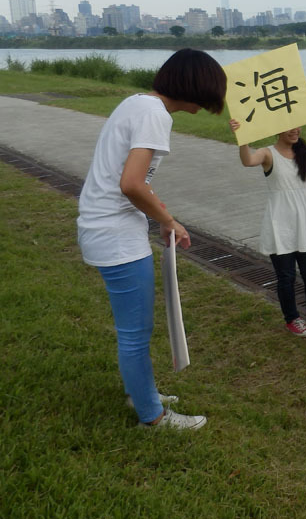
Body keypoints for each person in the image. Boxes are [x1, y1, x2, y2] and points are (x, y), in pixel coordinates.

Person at [77, 48, 226, 430]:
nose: (208, 104)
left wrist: (159, 216)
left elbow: (133, 180)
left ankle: (142, 393)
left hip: (105, 227)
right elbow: (130, 184)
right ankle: (153, 417)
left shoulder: (137, 103)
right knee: (135, 333)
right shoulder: (154, 114)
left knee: (134, 330)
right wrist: (168, 219)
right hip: (115, 234)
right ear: (193, 86)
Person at [229, 121, 306, 337]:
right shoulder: (268, 153)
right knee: (286, 277)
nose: (294, 130)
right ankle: (292, 318)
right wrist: (242, 137)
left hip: (305, 222)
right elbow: (247, 161)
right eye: (289, 126)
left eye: (297, 126)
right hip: (279, 224)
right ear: (276, 128)